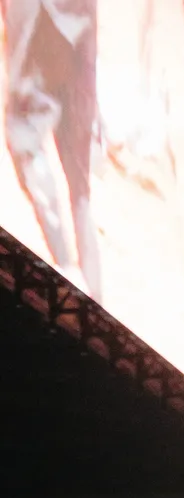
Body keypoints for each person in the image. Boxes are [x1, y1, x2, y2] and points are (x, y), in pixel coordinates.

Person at [4, 0, 102, 300]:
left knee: (22, 139)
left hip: (43, 26)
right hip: (81, 32)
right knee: (80, 187)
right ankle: (94, 296)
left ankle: (66, 266)